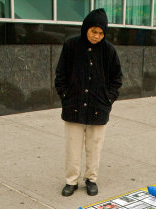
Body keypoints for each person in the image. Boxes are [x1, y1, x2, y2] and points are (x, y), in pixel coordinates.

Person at [55, 8, 122, 197]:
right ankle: (71, 181)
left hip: (98, 108)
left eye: (101, 33)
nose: (97, 36)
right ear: (86, 28)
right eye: (94, 31)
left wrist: (108, 99)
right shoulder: (71, 46)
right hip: (73, 106)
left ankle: (91, 179)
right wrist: (65, 96)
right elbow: (60, 75)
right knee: (72, 147)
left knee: (95, 147)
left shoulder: (109, 51)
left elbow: (117, 79)